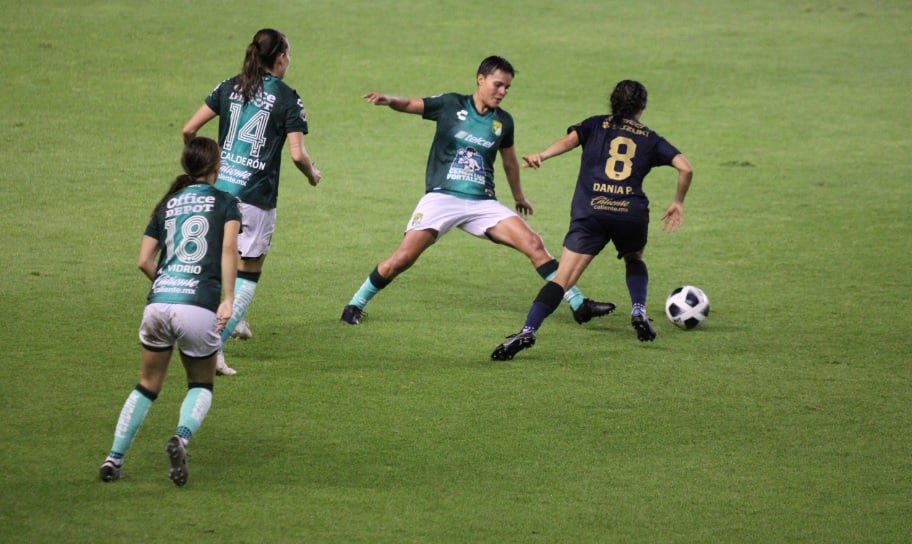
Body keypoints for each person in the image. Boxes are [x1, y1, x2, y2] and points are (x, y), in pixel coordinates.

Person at [339, 56, 614, 326]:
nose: (503, 92)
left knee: (533, 243)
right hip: (442, 197)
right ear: (480, 79)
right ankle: (355, 305)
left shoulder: (503, 122)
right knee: (402, 259)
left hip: (483, 203)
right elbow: (411, 104)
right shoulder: (451, 104)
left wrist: (519, 197)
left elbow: (509, 162)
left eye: (507, 87)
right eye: (498, 84)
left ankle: (578, 304)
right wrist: (389, 100)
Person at [492, 79, 693, 361]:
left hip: (591, 213)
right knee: (634, 258)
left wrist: (542, 155)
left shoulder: (595, 124)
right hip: (630, 213)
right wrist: (677, 202)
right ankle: (638, 309)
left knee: (562, 279)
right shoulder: (650, 137)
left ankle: (528, 330)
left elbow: (569, 141)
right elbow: (685, 168)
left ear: (613, 102)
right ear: (642, 106)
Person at [99, 137, 241, 486]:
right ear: (216, 166)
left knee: (147, 384)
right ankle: (181, 438)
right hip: (198, 306)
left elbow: (143, 260)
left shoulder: (168, 203)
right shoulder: (226, 202)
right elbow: (228, 251)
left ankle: (113, 459)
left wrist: (167, 285)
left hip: (158, 303)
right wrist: (227, 298)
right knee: (201, 383)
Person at [182, 28, 321, 375]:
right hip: (255, 198)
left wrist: (203, 168)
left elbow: (188, 130)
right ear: (281, 58)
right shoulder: (287, 98)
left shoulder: (230, 86)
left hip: (219, 190)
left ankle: (235, 320)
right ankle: (214, 348)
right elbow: (297, 155)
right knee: (248, 274)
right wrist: (313, 174)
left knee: (221, 261)